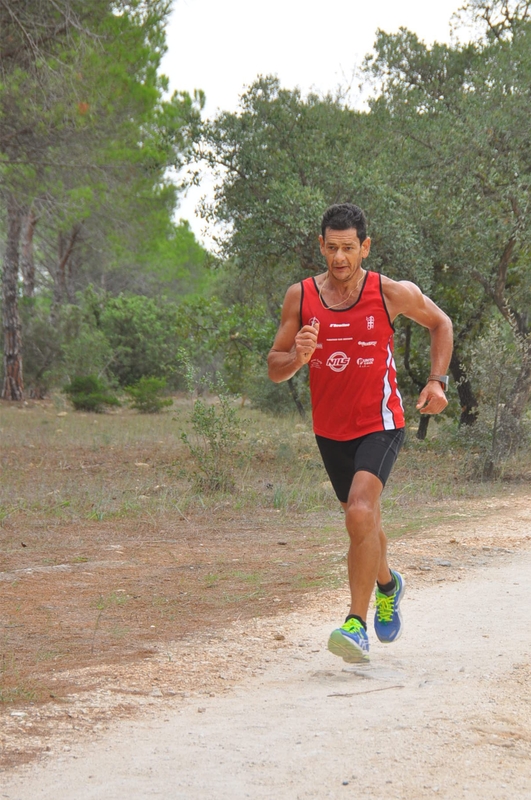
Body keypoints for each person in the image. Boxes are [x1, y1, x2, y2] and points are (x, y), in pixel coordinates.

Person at [267, 203, 453, 664]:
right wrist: (298, 359)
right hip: (330, 431)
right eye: (332, 248)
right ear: (321, 246)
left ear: (365, 247)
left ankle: (355, 624)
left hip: (381, 421)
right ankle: (388, 585)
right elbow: (274, 367)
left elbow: (441, 323)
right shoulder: (301, 296)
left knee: (360, 511)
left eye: (349, 248)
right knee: (363, 521)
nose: (340, 258)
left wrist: (437, 380)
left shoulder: (389, 293)